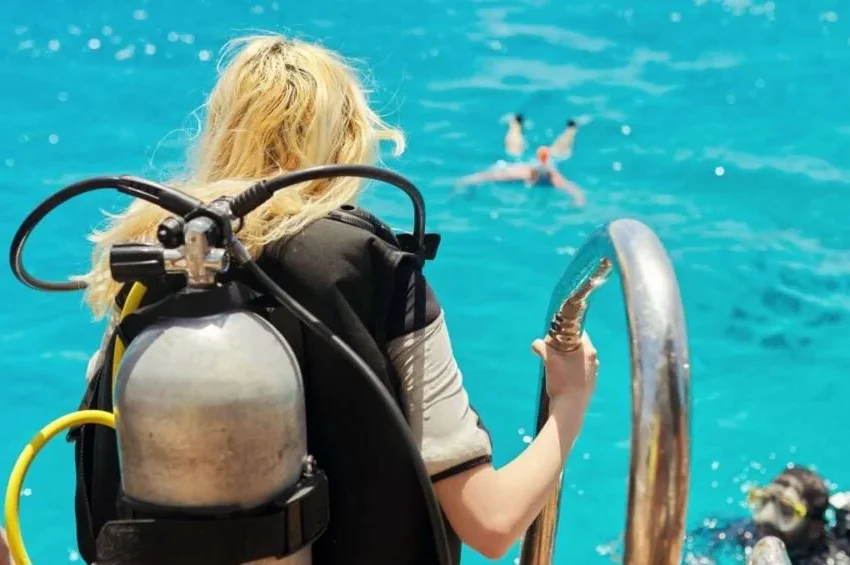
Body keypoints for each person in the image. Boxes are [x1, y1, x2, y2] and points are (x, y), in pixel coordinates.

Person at [71, 33, 600, 565]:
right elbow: (491, 522)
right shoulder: (371, 268)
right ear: (348, 141)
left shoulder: (153, 267)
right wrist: (569, 402)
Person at [688, 466, 850, 565]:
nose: (766, 517)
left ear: (814, 529)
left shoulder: (830, 561)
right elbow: (701, 542)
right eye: (763, 500)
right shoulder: (749, 531)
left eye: (786, 510)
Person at [457, 145, 587, 206]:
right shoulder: (521, 173)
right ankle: (515, 123)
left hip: (545, 165)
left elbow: (576, 192)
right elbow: (487, 176)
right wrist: (467, 182)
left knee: (561, 152)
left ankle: (571, 128)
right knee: (514, 150)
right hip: (523, 167)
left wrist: (577, 203)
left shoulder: (554, 178)